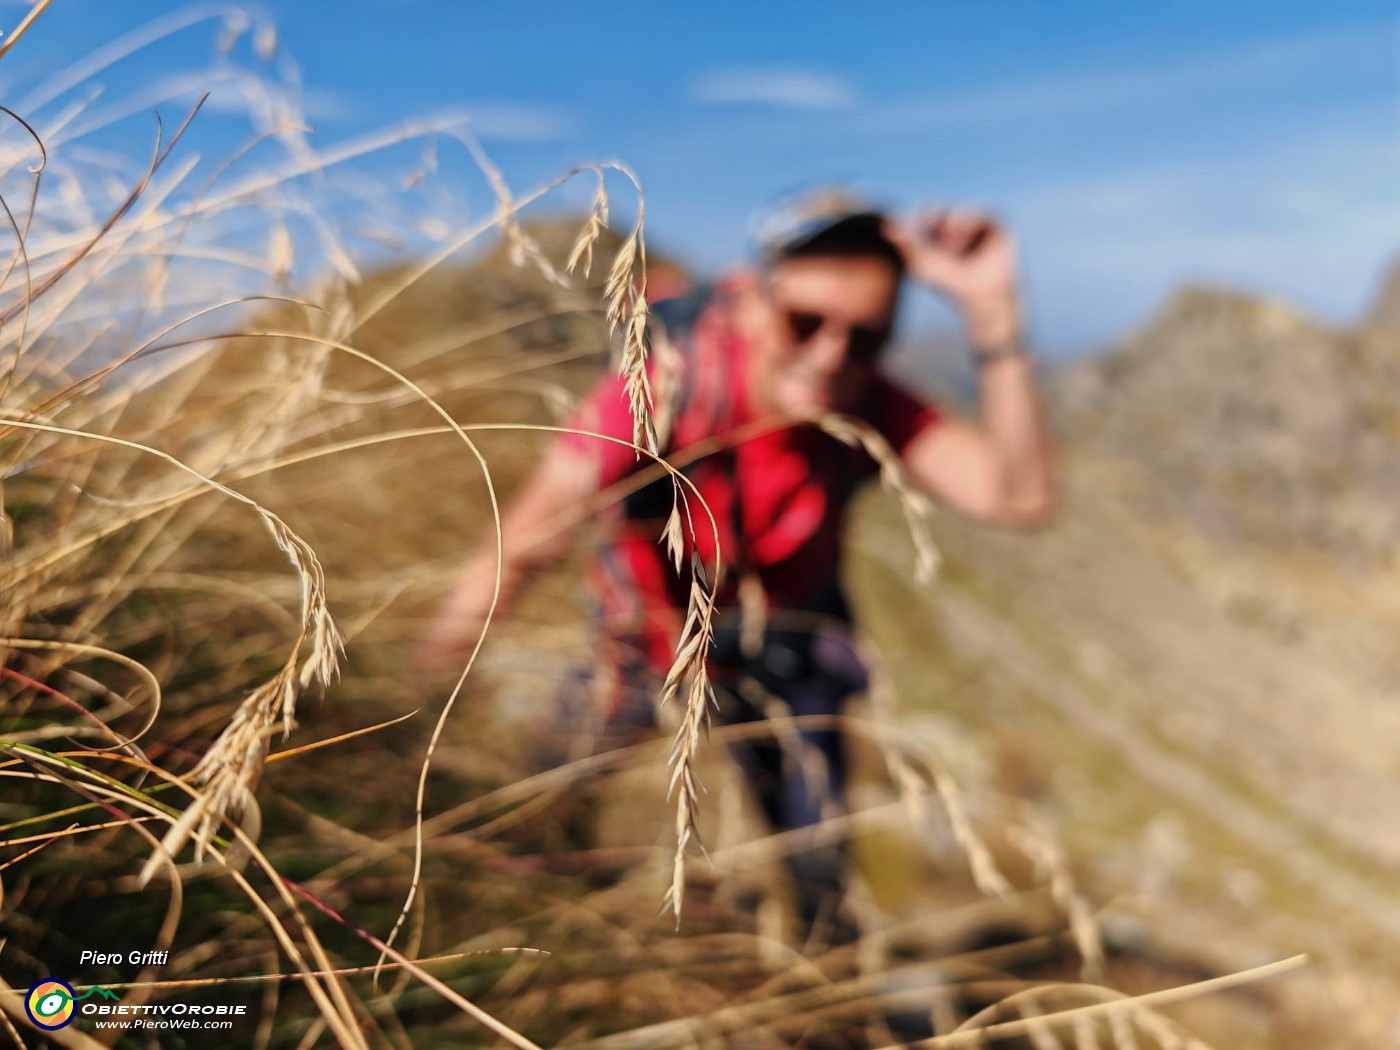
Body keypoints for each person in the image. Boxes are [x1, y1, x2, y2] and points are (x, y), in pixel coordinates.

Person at [417, 190, 1054, 938]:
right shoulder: (667, 384)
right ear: (752, 298)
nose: (831, 355)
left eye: (866, 337)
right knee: (537, 812)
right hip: (643, 634)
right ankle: (505, 936)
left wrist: (991, 306)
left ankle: (822, 996)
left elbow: (1019, 499)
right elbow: (521, 543)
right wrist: (415, 709)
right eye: (805, 322)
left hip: (785, 653)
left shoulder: (869, 402)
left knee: (816, 875)